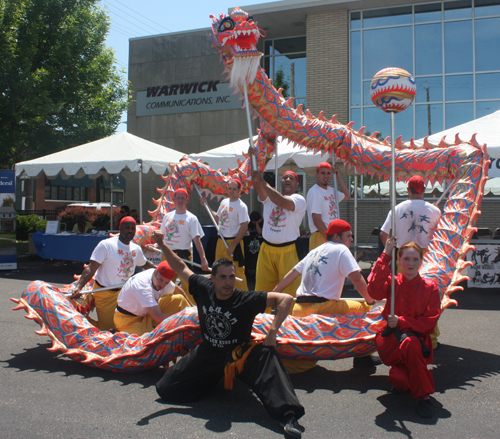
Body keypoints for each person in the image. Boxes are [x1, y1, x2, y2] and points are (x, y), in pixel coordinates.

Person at [153, 231, 305, 438]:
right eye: (223, 277)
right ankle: (212, 379)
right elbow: (180, 266)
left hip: (240, 354)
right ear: (213, 279)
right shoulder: (203, 287)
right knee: (166, 389)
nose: (228, 282)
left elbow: (286, 299)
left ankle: (288, 416)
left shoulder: (245, 298)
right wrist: (162, 245)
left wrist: (272, 331)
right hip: (210, 352)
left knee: (268, 356)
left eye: (231, 277)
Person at [274, 219, 379, 374]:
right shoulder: (341, 250)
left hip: (299, 308)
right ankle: (363, 358)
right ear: (336, 237)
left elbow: (292, 274)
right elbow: (357, 278)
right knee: (365, 309)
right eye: (349, 236)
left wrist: (274, 293)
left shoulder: (315, 251)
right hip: (323, 307)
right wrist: (371, 300)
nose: (351, 239)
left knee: (303, 358)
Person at [367, 237, 441, 418]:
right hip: (391, 339)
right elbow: (373, 291)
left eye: (415, 259)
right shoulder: (393, 282)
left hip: (416, 341)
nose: (411, 263)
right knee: (406, 358)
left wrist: (401, 321)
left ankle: (416, 391)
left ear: (421, 262)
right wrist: (385, 254)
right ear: (399, 260)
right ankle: (422, 395)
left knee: (408, 352)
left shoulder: (431, 287)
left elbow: (429, 322)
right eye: (406, 259)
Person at [379, 175, 442, 348]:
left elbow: (384, 233)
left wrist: (390, 251)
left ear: (408, 190)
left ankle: (401, 331)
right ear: (424, 190)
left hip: (404, 255)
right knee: (428, 297)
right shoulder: (434, 210)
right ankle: (430, 337)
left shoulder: (398, 208)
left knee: (404, 296)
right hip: (427, 256)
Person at [70, 216, 156, 330]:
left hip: (126, 293)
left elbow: (145, 264)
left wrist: (161, 271)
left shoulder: (136, 249)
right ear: (120, 229)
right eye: (127, 227)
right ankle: (79, 322)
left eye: (132, 228)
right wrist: (79, 287)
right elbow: (91, 268)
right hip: (105, 293)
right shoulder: (106, 245)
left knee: (125, 325)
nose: (130, 230)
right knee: (107, 329)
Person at [250, 149, 306, 297]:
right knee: (262, 292)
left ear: (297, 184)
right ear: (280, 182)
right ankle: (263, 319)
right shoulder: (269, 197)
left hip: (288, 252)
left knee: (290, 294)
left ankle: (290, 319)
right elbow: (257, 185)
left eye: (291, 178)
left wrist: (263, 181)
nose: (287, 179)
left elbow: (280, 201)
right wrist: (253, 159)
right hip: (266, 250)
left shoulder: (299, 200)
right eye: (285, 177)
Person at [114, 261, 191, 335]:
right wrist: (184, 320)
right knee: (148, 341)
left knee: (179, 299)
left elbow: (178, 291)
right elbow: (158, 317)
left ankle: (194, 319)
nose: (162, 285)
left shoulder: (161, 278)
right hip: (128, 319)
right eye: (160, 279)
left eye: (166, 282)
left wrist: (194, 309)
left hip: (148, 313)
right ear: (154, 272)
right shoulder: (143, 285)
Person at [159, 188, 209, 302]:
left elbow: (197, 240)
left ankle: (191, 309)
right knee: (165, 284)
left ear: (187, 200)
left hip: (184, 256)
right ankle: (166, 307)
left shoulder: (191, 218)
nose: (180, 201)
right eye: (178, 198)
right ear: (174, 200)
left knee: (188, 285)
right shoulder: (167, 217)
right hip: (168, 255)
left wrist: (203, 259)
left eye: (183, 198)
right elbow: (162, 236)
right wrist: (155, 246)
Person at [200, 179, 249, 289]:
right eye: (230, 188)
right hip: (221, 241)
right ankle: (221, 294)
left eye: (234, 189)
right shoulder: (224, 202)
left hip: (233, 243)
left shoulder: (241, 206)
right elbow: (218, 219)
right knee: (219, 270)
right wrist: (206, 206)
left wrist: (233, 245)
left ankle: (243, 296)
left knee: (236, 272)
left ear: (239, 190)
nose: (231, 191)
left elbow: (244, 227)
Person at [306, 162, 351, 251]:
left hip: (332, 235)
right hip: (321, 235)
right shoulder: (314, 192)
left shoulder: (331, 190)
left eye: (328, 173)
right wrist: (330, 237)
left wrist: (338, 177)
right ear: (317, 174)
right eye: (323, 173)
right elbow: (317, 220)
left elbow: (347, 196)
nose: (326, 176)